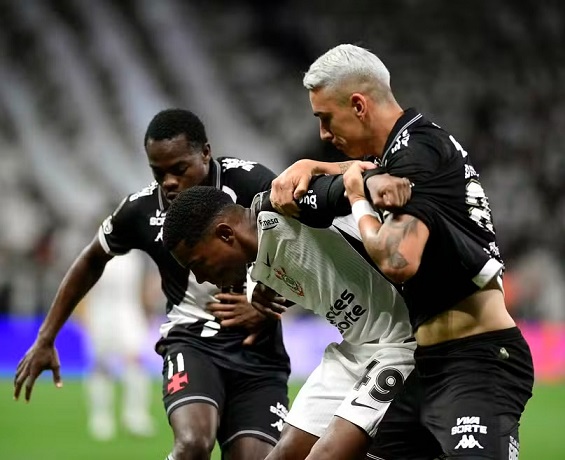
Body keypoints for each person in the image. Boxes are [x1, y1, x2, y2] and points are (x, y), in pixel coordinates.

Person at [270, 44, 534, 459]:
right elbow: (371, 172)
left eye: (326, 118)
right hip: (429, 364)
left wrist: (358, 200)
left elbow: (398, 261)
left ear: (358, 105)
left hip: (478, 360)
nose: (323, 134)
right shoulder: (407, 148)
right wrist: (316, 166)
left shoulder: (417, 153)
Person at [14, 108, 291, 460]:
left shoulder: (252, 185)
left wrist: (268, 304)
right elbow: (90, 259)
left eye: (179, 169)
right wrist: (46, 337)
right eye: (158, 173)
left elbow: (307, 248)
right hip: (192, 342)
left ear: (206, 153)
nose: (169, 182)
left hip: (259, 355)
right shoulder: (142, 210)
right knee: (192, 444)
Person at [161, 184, 417, 460]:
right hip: (354, 350)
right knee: (284, 453)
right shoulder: (258, 277)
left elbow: (363, 182)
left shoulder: (289, 206)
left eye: (198, 263)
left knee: (326, 455)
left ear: (225, 234)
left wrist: (312, 168)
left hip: (402, 343)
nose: (200, 278)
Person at [82, 250, 155, 441]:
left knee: (135, 362)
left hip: (129, 313)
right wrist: (85, 315)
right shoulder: (96, 253)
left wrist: (147, 312)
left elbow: (143, 286)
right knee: (101, 366)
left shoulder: (136, 256)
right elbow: (83, 285)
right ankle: (101, 418)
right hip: (100, 313)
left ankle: (135, 416)